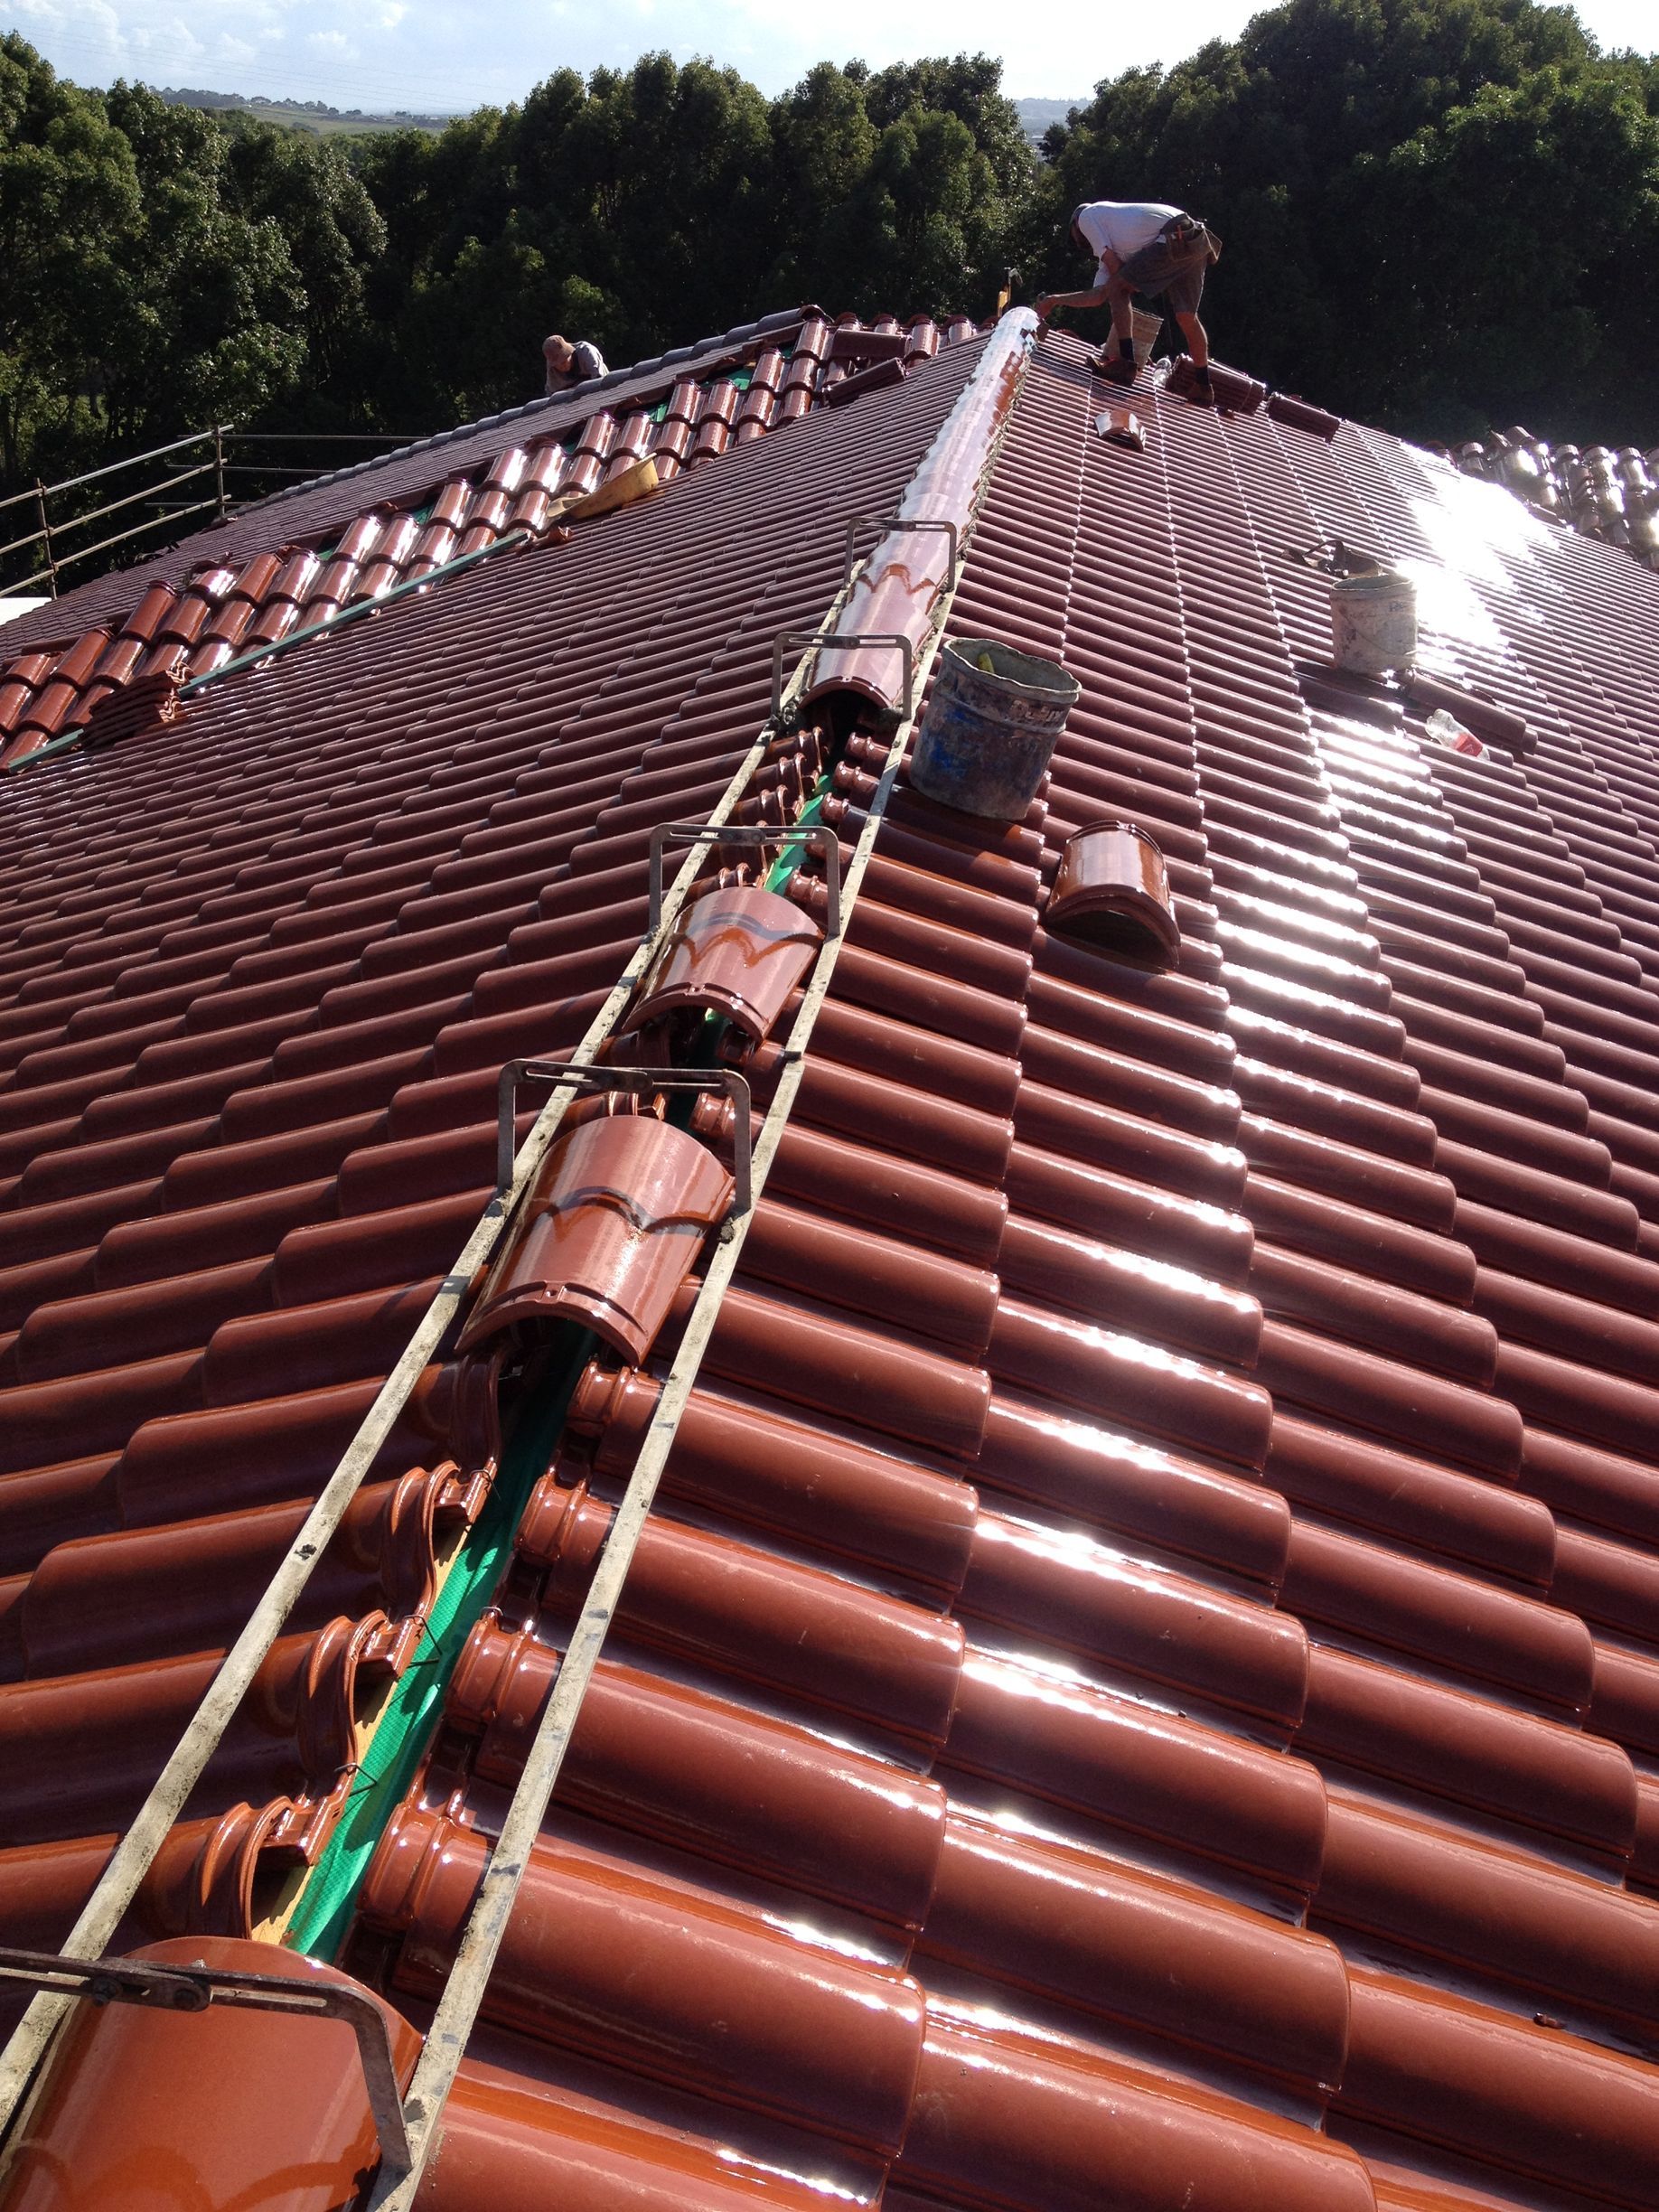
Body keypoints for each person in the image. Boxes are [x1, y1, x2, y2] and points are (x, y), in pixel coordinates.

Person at [1034, 202, 1221, 398]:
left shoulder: (1086, 217)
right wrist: (1054, 300)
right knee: (1186, 317)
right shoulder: (1121, 244)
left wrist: (1121, 286)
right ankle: (1203, 386)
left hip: (1173, 236)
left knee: (1118, 287)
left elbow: (1116, 282)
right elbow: (1097, 296)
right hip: (1195, 239)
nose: (1083, 243)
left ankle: (1125, 364)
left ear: (1075, 225)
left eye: (1077, 239)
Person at [544, 333, 609, 395]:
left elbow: (599, 380)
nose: (561, 366)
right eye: (557, 365)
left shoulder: (586, 352)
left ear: (570, 353)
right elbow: (551, 394)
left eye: (563, 362)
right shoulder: (551, 368)